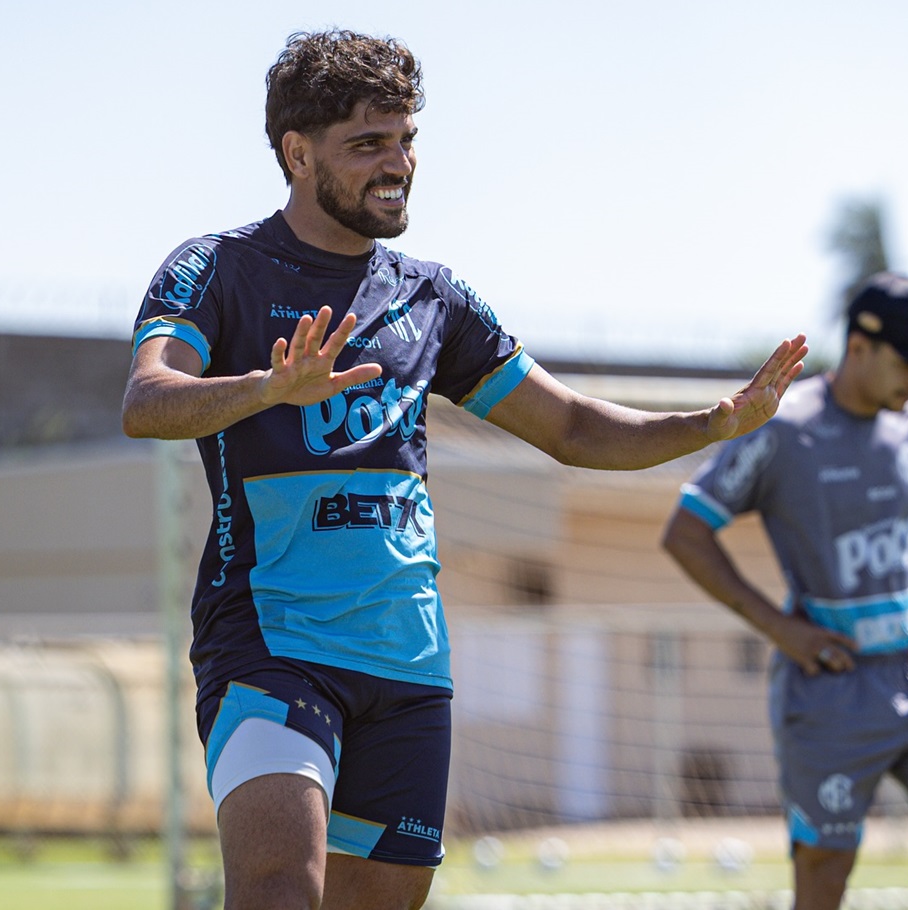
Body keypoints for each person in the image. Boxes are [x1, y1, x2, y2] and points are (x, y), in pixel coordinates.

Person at [122, 28, 807, 910]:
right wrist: (267, 389)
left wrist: (715, 423)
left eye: (407, 139)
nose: (397, 163)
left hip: (408, 663)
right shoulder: (216, 269)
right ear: (297, 153)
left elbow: (572, 428)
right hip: (273, 644)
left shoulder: (431, 297)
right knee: (278, 888)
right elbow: (147, 401)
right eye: (368, 144)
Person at [661, 271, 908, 910]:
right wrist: (782, 631)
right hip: (829, 692)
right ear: (859, 347)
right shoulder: (785, 426)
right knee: (824, 879)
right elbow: (686, 533)